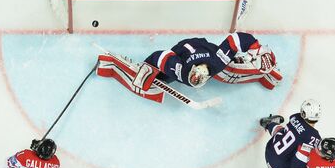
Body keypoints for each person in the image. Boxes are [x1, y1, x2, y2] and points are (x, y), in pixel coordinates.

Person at [96, 32, 283, 103]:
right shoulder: (179, 69)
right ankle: (111, 65)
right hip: (182, 51)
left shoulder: (218, 61)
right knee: (153, 83)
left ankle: (265, 74)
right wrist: (146, 67)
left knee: (228, 72)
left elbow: (236, 39)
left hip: (205, 48)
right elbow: (160, 56)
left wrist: (255, 47)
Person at [260, 99, 322, 168]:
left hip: (269, 150)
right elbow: (296, 166)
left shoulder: (295, 117)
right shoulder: (314, 139)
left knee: (285, 132)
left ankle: (269, 124)